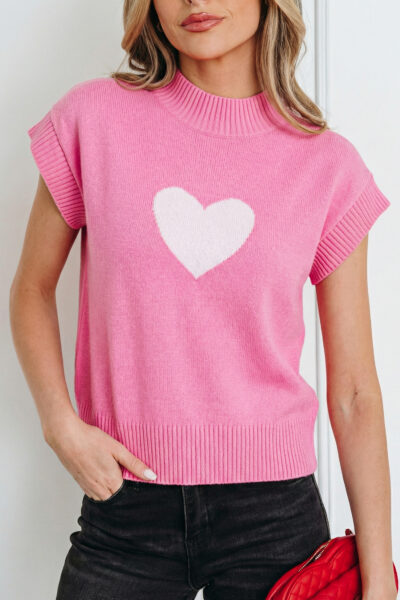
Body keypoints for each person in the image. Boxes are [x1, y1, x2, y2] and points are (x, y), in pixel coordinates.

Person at [9, 0, 396, 599]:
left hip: (275, 520)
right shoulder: (92, 119)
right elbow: (32, 287)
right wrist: (60, 425)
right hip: (124, 509)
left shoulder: (328, 167)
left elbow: (354, 394)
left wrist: (379, 577)